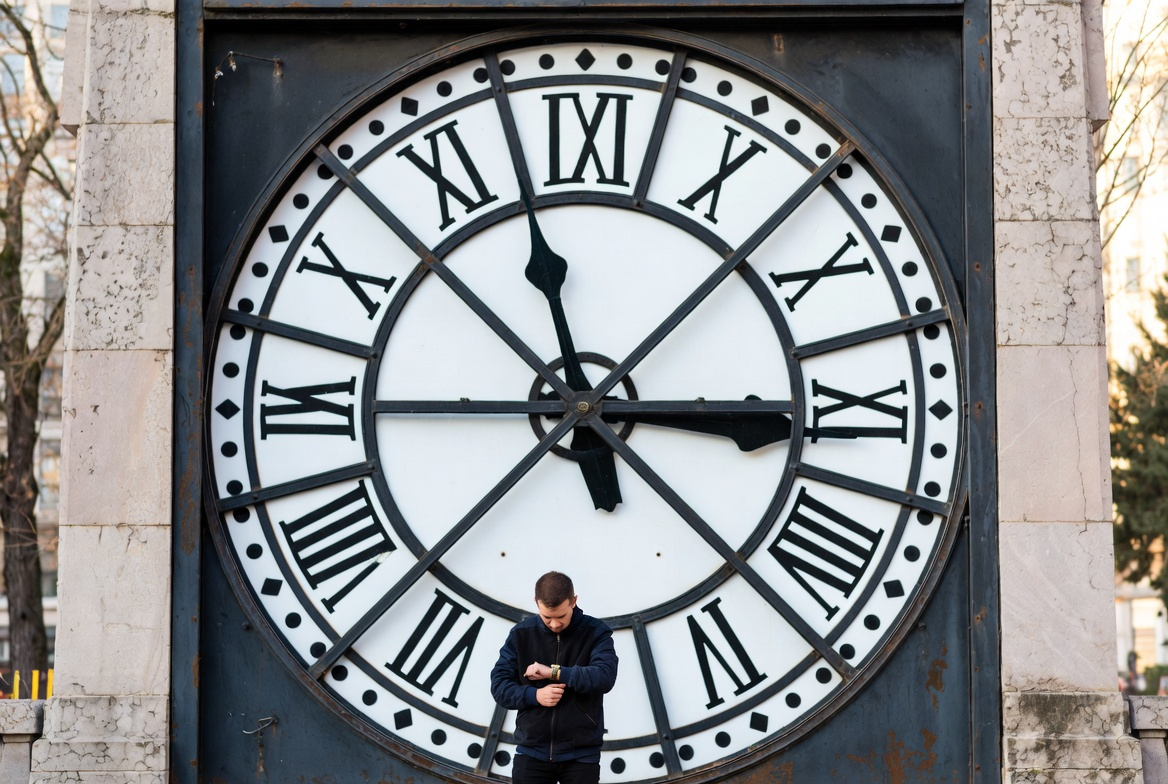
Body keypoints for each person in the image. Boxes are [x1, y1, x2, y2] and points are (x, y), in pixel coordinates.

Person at [490, 571, 618, 784]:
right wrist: (535, 695)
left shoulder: (596, 632)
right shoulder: (521, 634)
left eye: (561, 616)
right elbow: (499, 686)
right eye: (547, 617)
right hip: (531, 753)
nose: (555, 624)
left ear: (574, 601)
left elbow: (604, 676)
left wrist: (555, 672)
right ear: (536, 603)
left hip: (581, 755)